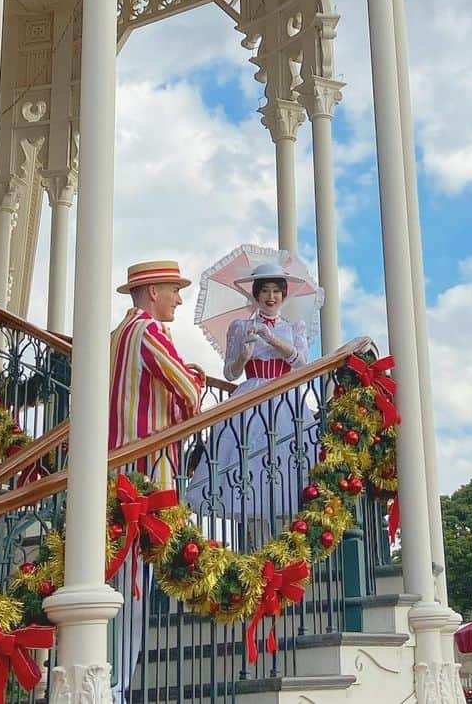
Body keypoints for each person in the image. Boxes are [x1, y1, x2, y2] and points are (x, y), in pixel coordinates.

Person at [108, 260, 206, 704]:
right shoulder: (149, 330)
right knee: (132, 587)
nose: (178, 299)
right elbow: (186, 391)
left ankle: (110, 679)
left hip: (116, 468)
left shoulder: (117, 335)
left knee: (119, 581)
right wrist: (199, 380)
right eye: (174, 290)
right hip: (145, 472)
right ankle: (115, 685)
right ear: (151, 293)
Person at [185, 260, 312, 543]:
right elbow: (230, 371)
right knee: (246, 466)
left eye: (276, 291)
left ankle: (282, 548)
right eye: (265, 290)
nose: (270, 297)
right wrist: (244, 354)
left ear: (283, 295)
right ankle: (254, 547)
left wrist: (273, 340)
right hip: (251, 393)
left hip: (283, 398)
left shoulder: (294, 327)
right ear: (255, 295)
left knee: (283, 462)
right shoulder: (240, 326)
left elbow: (302, 364)